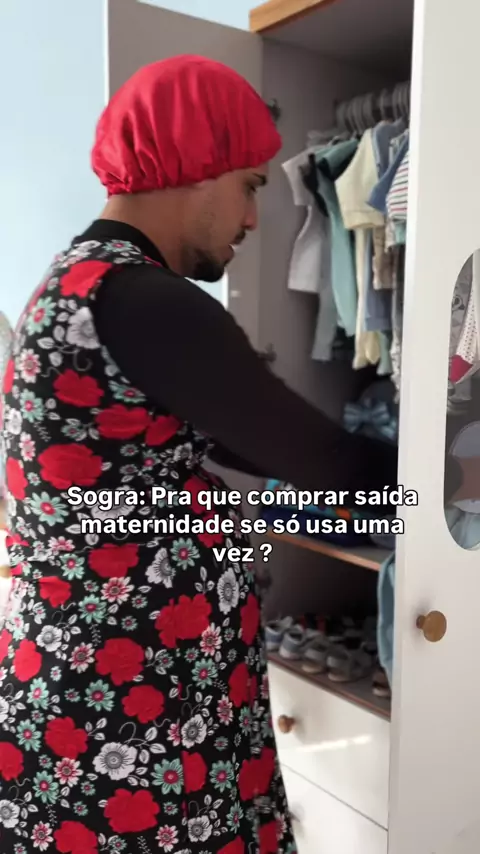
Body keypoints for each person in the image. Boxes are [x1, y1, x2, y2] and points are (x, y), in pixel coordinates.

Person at [0, 54, 408, 854]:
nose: (253, 220)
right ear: (196, 165)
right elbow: (324, 461)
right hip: (134, 706)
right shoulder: (147, 299)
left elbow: (230, 436)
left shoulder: (73, 284)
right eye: (250, 186)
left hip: (100, 683)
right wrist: (451, 482)